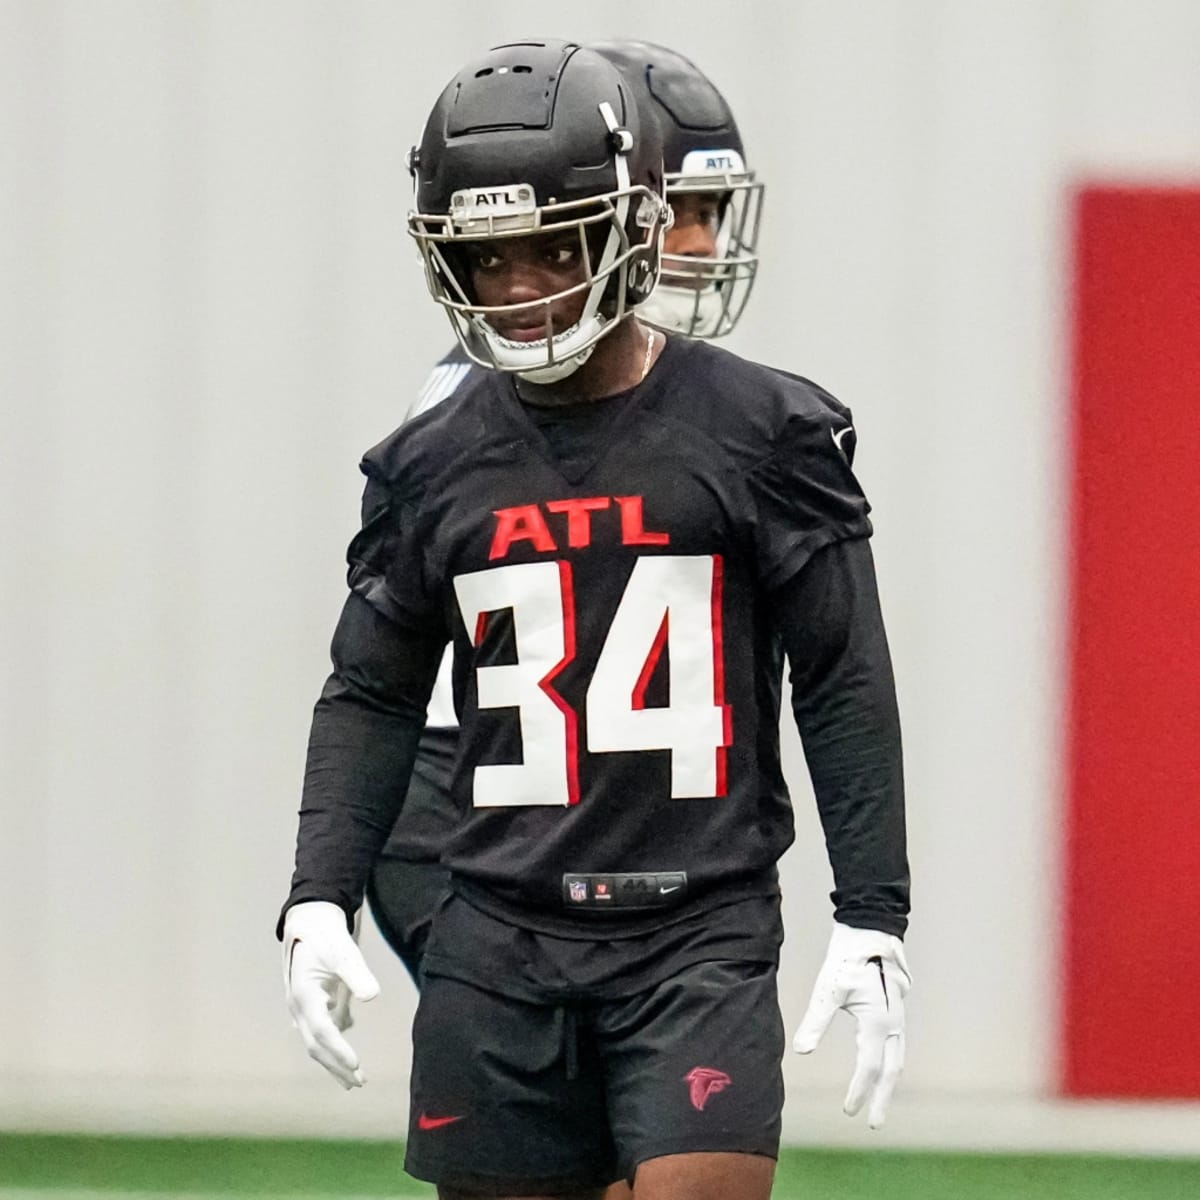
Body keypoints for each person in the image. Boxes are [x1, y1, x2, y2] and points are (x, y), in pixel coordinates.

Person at [280, 38, 910, 1200]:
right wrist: (319, 889)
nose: (521, 288)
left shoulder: (763, 430)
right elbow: (369, 689)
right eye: (489, 257)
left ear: (622, 225)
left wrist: (874, 910)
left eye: (550, 250)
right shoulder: (432, 457)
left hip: (694, 922)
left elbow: (840, 676)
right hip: (499, 918)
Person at [364, 38, 766, 988]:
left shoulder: (679, 400)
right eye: (690, 212)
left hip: (561, 805)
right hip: (477, 800)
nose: (705, 245)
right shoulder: (493, 398)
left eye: (716, 213)